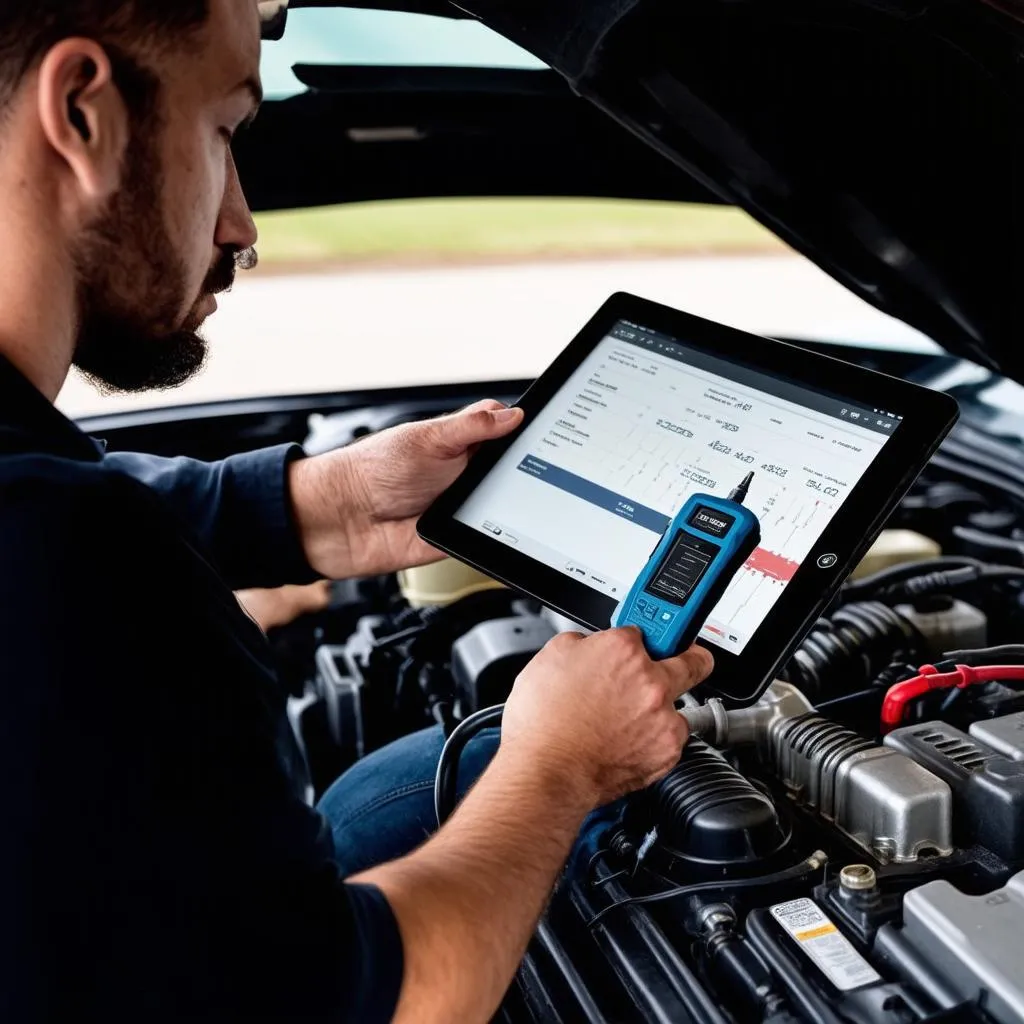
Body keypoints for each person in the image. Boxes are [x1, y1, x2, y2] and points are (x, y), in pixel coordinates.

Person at [0, 2, 713, 1021]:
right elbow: (364, 1006)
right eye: (225, 131)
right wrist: (560, 768)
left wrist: (315, 508)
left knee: (395, 795)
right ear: (83, 112)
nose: (240, 223)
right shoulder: (66, 554)